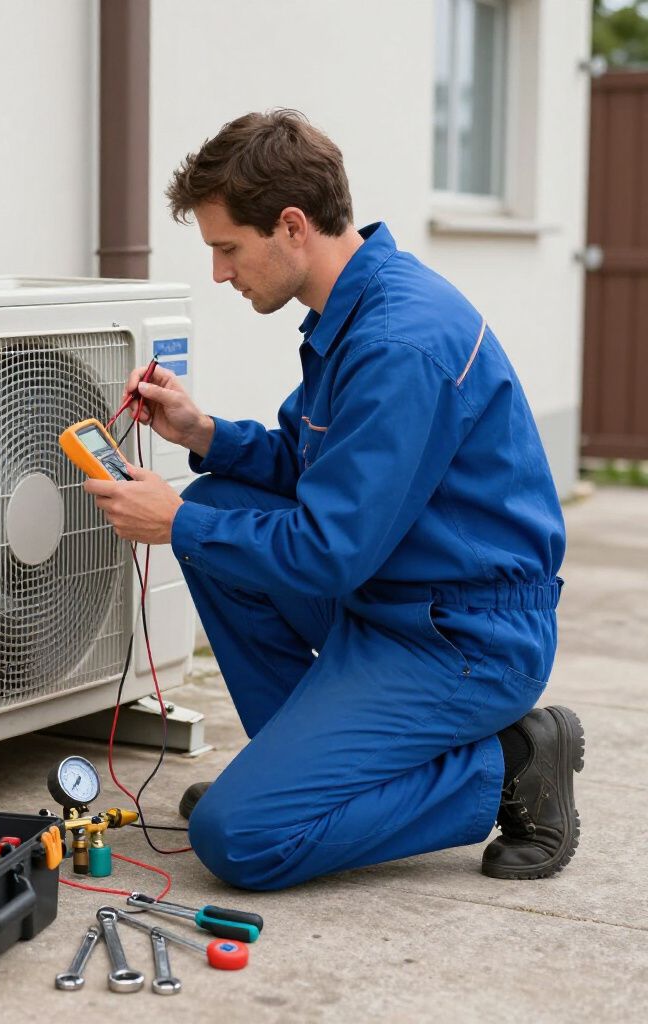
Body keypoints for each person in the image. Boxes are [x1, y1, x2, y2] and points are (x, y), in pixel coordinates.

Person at [83, 109, 583, 890]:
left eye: (226, 248)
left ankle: (513, 759)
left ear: (290, 226)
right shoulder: (353, 310)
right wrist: (204, 430)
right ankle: (296, 782)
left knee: (239, 839)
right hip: (392, 596)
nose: (219, 273)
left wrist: (174, 520)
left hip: (462, 639)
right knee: (223, 497)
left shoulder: (396, 343)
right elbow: (307, 464)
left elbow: (327, 550)